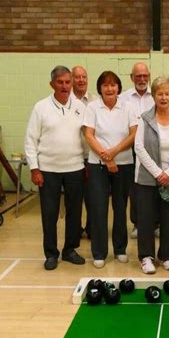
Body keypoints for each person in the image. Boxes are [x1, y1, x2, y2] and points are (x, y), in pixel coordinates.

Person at [24, 65, 86, 271]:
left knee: (75, 212)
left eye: (68, 82)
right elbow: (30, 140)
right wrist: (34, 168)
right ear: (52, 84)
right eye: (60, 82)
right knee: (49, 214)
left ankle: (70, 250)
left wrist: (88, 163)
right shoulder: (40, 107)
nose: (65, 86)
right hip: (48, 170)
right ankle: (51, 253)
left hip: (75, 167)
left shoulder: (80, 107)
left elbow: (87, 137)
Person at [134, 76, 169, 274]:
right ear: (154, 96)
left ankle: (165, 256)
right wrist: (159, 173)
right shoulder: (144, 118)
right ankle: (146, 257)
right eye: (160, 93)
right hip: (148, 179)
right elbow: (139, 148)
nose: (163, 97)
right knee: (146, 219)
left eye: (167, 93)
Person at [83, 71, 138, 268]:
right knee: (98, 208)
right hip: (98, 165)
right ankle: (99, 252)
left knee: (120, 208)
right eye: (105, 85)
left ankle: (120, 249)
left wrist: (113, 152)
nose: (109, 88)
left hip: (123, 164)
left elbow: (133, 134)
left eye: (113, 85)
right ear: (100, 88)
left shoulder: (128, 107)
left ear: (118, 88)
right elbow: (89, 135)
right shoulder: (92, 107)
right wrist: (106, 158)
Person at [119, 62, 155, 239]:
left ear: (149, 76)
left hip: (153, 147)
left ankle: (155, 223)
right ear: (132, 77)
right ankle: (137, 223)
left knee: (154, 185)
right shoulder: (123, 97)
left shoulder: (156, 95)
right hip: (131, 147)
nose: (142, 79)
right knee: (135, 187)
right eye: (138, 76)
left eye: (145, 75)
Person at [71, 66, 97, 239]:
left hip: (90, 157)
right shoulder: (66, 101)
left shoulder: (95, 101)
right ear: (72, 79)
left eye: (84, 77)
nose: (81, 80)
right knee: (73, 198)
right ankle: (74, 230)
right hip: (71, 158)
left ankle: (91, 228)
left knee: (92, 196)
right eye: (77, 77)